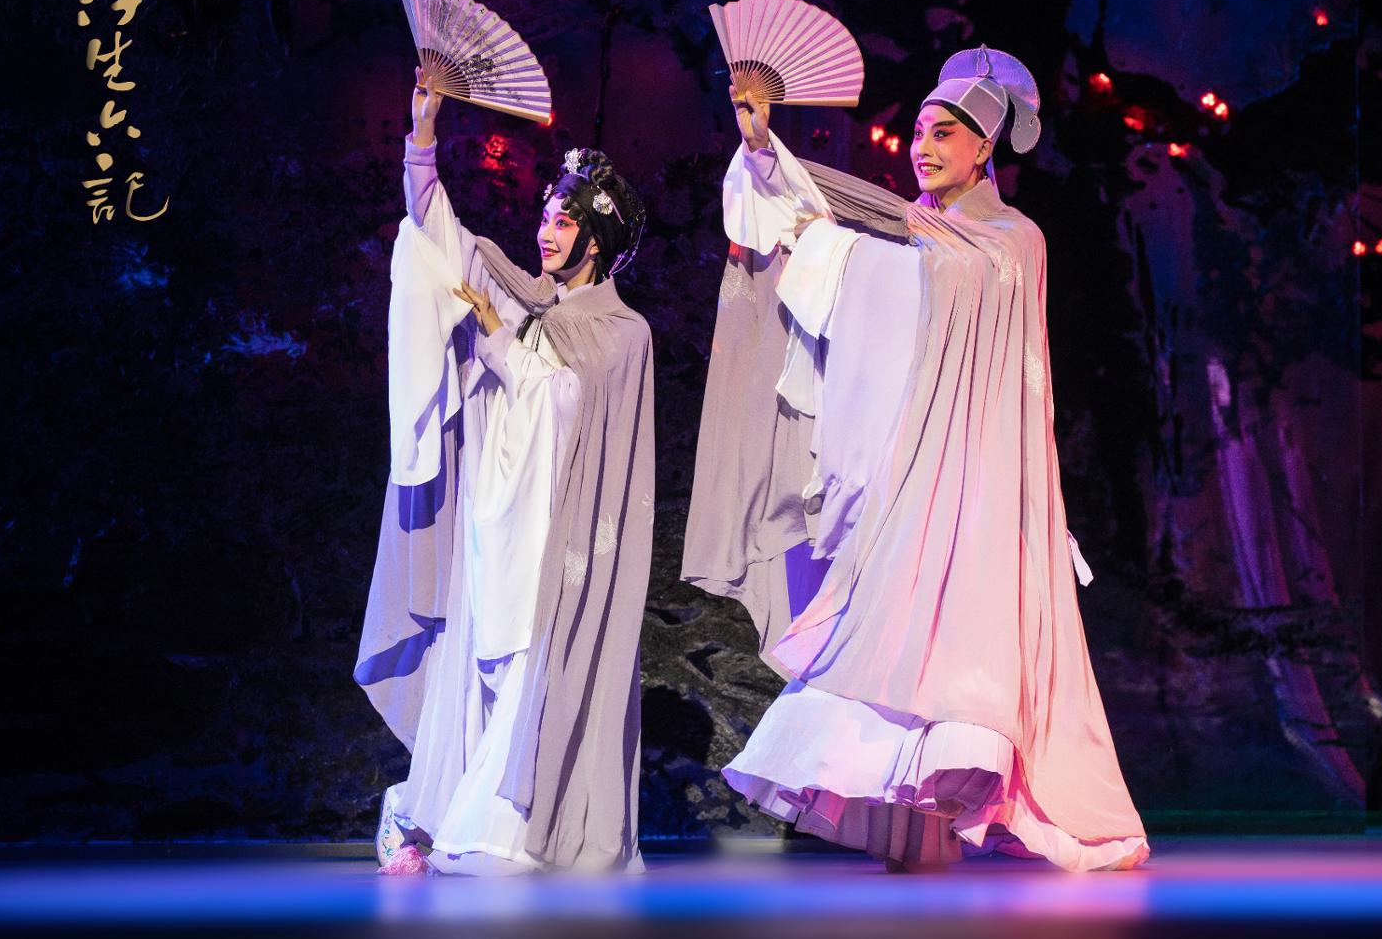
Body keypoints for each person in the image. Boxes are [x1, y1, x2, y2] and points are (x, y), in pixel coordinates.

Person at [682, 46, 1149, 872]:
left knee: (958, 639)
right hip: (909, 468)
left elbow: (946, 280)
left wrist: (840, 251)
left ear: (984, 147)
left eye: (944, 133)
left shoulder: (1015, 240)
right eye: (920, 132)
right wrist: (762, 150)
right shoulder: (908, 228)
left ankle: (975, 795)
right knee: (886, 628)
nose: (923, 147)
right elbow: (832, 230)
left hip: (978, 479)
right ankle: (909, 829)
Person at [353, 67, 655, 875]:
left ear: (598, 239)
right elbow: (439, 239)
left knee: (528, 673)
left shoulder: (623, 333)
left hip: (555, 540)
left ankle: (504, 820)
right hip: (495, 522)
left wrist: (499, 345)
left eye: (566, 221)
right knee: (482, 669)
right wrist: (423, 141)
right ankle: (423, 805)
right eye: (547, 216)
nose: (547, 232)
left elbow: (569, 405)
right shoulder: (518, 296)